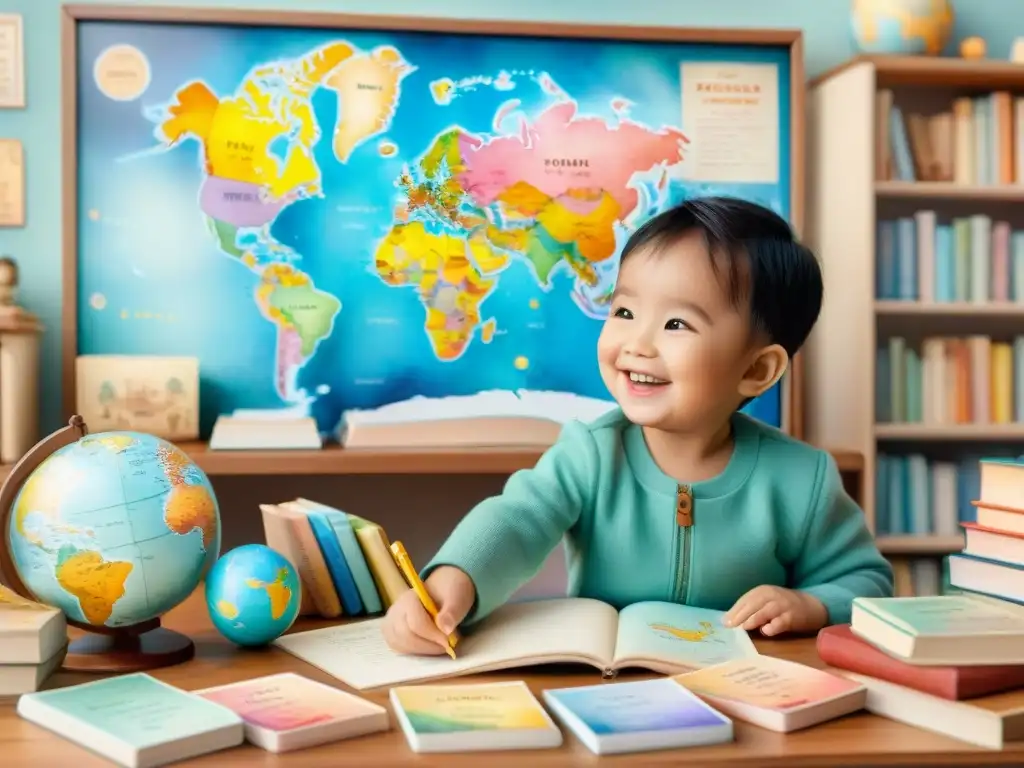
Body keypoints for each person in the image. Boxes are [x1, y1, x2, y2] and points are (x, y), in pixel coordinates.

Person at [382, 196, 894, 656]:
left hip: (745, 687)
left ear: (756, 370)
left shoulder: (802, 479)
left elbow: (866, 581)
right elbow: (517, 520)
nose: (637, 343)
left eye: (676, 324)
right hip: (608, 684)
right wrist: (455, 578)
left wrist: (810, 604)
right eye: (624, 310)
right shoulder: (591, 454)